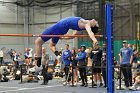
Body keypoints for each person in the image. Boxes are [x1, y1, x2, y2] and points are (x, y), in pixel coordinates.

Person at [35, 17, 99, 67]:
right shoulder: (81, 27)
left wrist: (94, 40)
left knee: (38, 42)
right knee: (52, 45)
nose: (95, 20)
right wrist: (63, 38)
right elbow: (73, 36)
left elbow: (90, 32)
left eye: (96, 23)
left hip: (59, 26)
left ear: (93, 26)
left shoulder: (86, 23)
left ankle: (38, 62)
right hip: (61, 29)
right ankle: (58, 55)